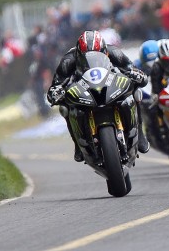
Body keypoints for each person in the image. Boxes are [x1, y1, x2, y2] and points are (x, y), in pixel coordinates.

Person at [46, 30, 149, 162]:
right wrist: (56, 92)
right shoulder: (69, 59)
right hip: (83, 89)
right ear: (79, 52)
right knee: (65, 108)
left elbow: (130, 68)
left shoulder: (114, 52)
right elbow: (57, 83)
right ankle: (78, 145)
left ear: (104, 50)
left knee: (135, 92)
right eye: (85, 55)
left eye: (98, 53)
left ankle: (140, 134)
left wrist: (136, 75)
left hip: (109, 85)